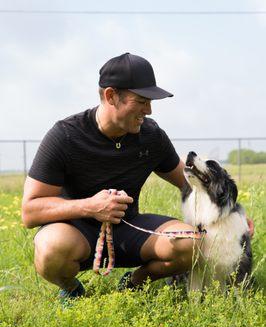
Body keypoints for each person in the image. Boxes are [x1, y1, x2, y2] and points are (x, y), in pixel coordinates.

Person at [22, 52, 253, 299]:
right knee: (49, 249)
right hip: (76, 234)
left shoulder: (151, 135)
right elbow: (30, 211)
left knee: (190, 242)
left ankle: (133, 283)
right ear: (111, 96)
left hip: (132, 230)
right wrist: (91, 207)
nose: (149, 110)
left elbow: (189, 183)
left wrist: (234, 215)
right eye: (142, 101)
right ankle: (71, 290)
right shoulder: (65, 136)